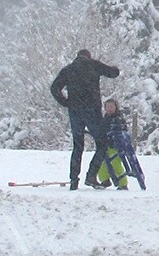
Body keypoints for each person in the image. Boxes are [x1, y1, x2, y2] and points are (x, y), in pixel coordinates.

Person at [50, 47, 120, 190]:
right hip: (92, 111)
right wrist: (115, 67)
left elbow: (54, 88)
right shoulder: (93, 65)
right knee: (102, 143)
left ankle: (74, 181)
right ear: (88, 57)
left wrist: (66, 102)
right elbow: (113, 73)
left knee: (78, 146)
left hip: (75, 112)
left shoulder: (68, 70)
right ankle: (91, 176)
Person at [91, 97, 145, 190]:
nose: (109, 109)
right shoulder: (106, 118)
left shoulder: (118, 118)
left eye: (111, 107)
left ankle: (123, 184)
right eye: (107, 107)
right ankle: (105, 180)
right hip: (106, 145)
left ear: (116, 107)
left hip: (116, 146)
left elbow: (119, 131)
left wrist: (111, 136)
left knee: (116, 164)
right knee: (101, 163)